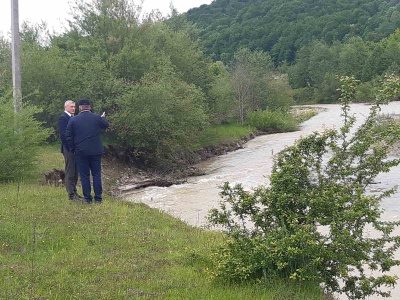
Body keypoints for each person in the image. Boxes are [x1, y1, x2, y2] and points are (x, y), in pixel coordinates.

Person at [65, 99, 109, 204]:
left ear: (80, 108)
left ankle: (88, 198)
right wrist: (102, 118)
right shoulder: (97, 118)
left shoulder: (74, 120)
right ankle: (98, 198)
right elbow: (106, 125)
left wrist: (73, 149)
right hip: (96, 151)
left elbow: (68, 136)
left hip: (81, 152)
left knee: (84, 175)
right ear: (89, 107)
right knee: (96, 174)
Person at [58, 100, 82, 201]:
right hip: (68, 149)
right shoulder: (63, 118)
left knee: (76, 172)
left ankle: (75, 192)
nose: (74, 108)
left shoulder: (73, 118)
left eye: (74, 107)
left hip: (75, 148)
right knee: (70, 171)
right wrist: (71, 147)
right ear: (66, 107)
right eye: (71, 106)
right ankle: (71, 194)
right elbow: (63, 135)